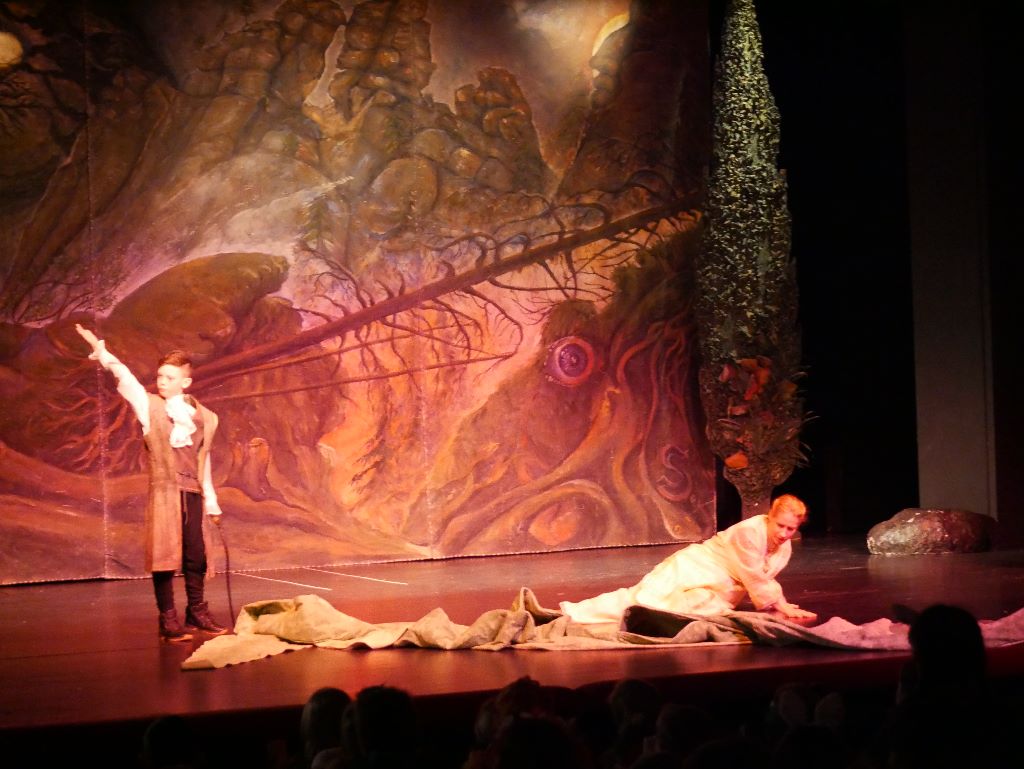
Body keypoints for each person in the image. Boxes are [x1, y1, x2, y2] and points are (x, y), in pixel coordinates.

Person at [75, 324, 228, 642]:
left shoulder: (205, 417)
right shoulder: (150, 407)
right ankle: (168, 618)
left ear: (186, 381)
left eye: (170, 377)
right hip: (165, 492)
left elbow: (204, 459)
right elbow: (126, 378)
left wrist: (212, 501)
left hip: (193, 493)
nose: (162, 381)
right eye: (160, 376)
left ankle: (196, 611)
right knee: (164, 554)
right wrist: (102, 352)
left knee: (196, 556)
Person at [559, 495, 816, 623]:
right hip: (694, 568)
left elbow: (762, 577)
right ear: (770, 517)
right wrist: (780, 604)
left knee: (682, 611)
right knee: (644, 599)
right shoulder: (750, 532)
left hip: (718, 587)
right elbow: (754, 575)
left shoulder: (784, 547)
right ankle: (574, 612)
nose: (784, 534)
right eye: (780, 526)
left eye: (791, 529)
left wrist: (780, 603)